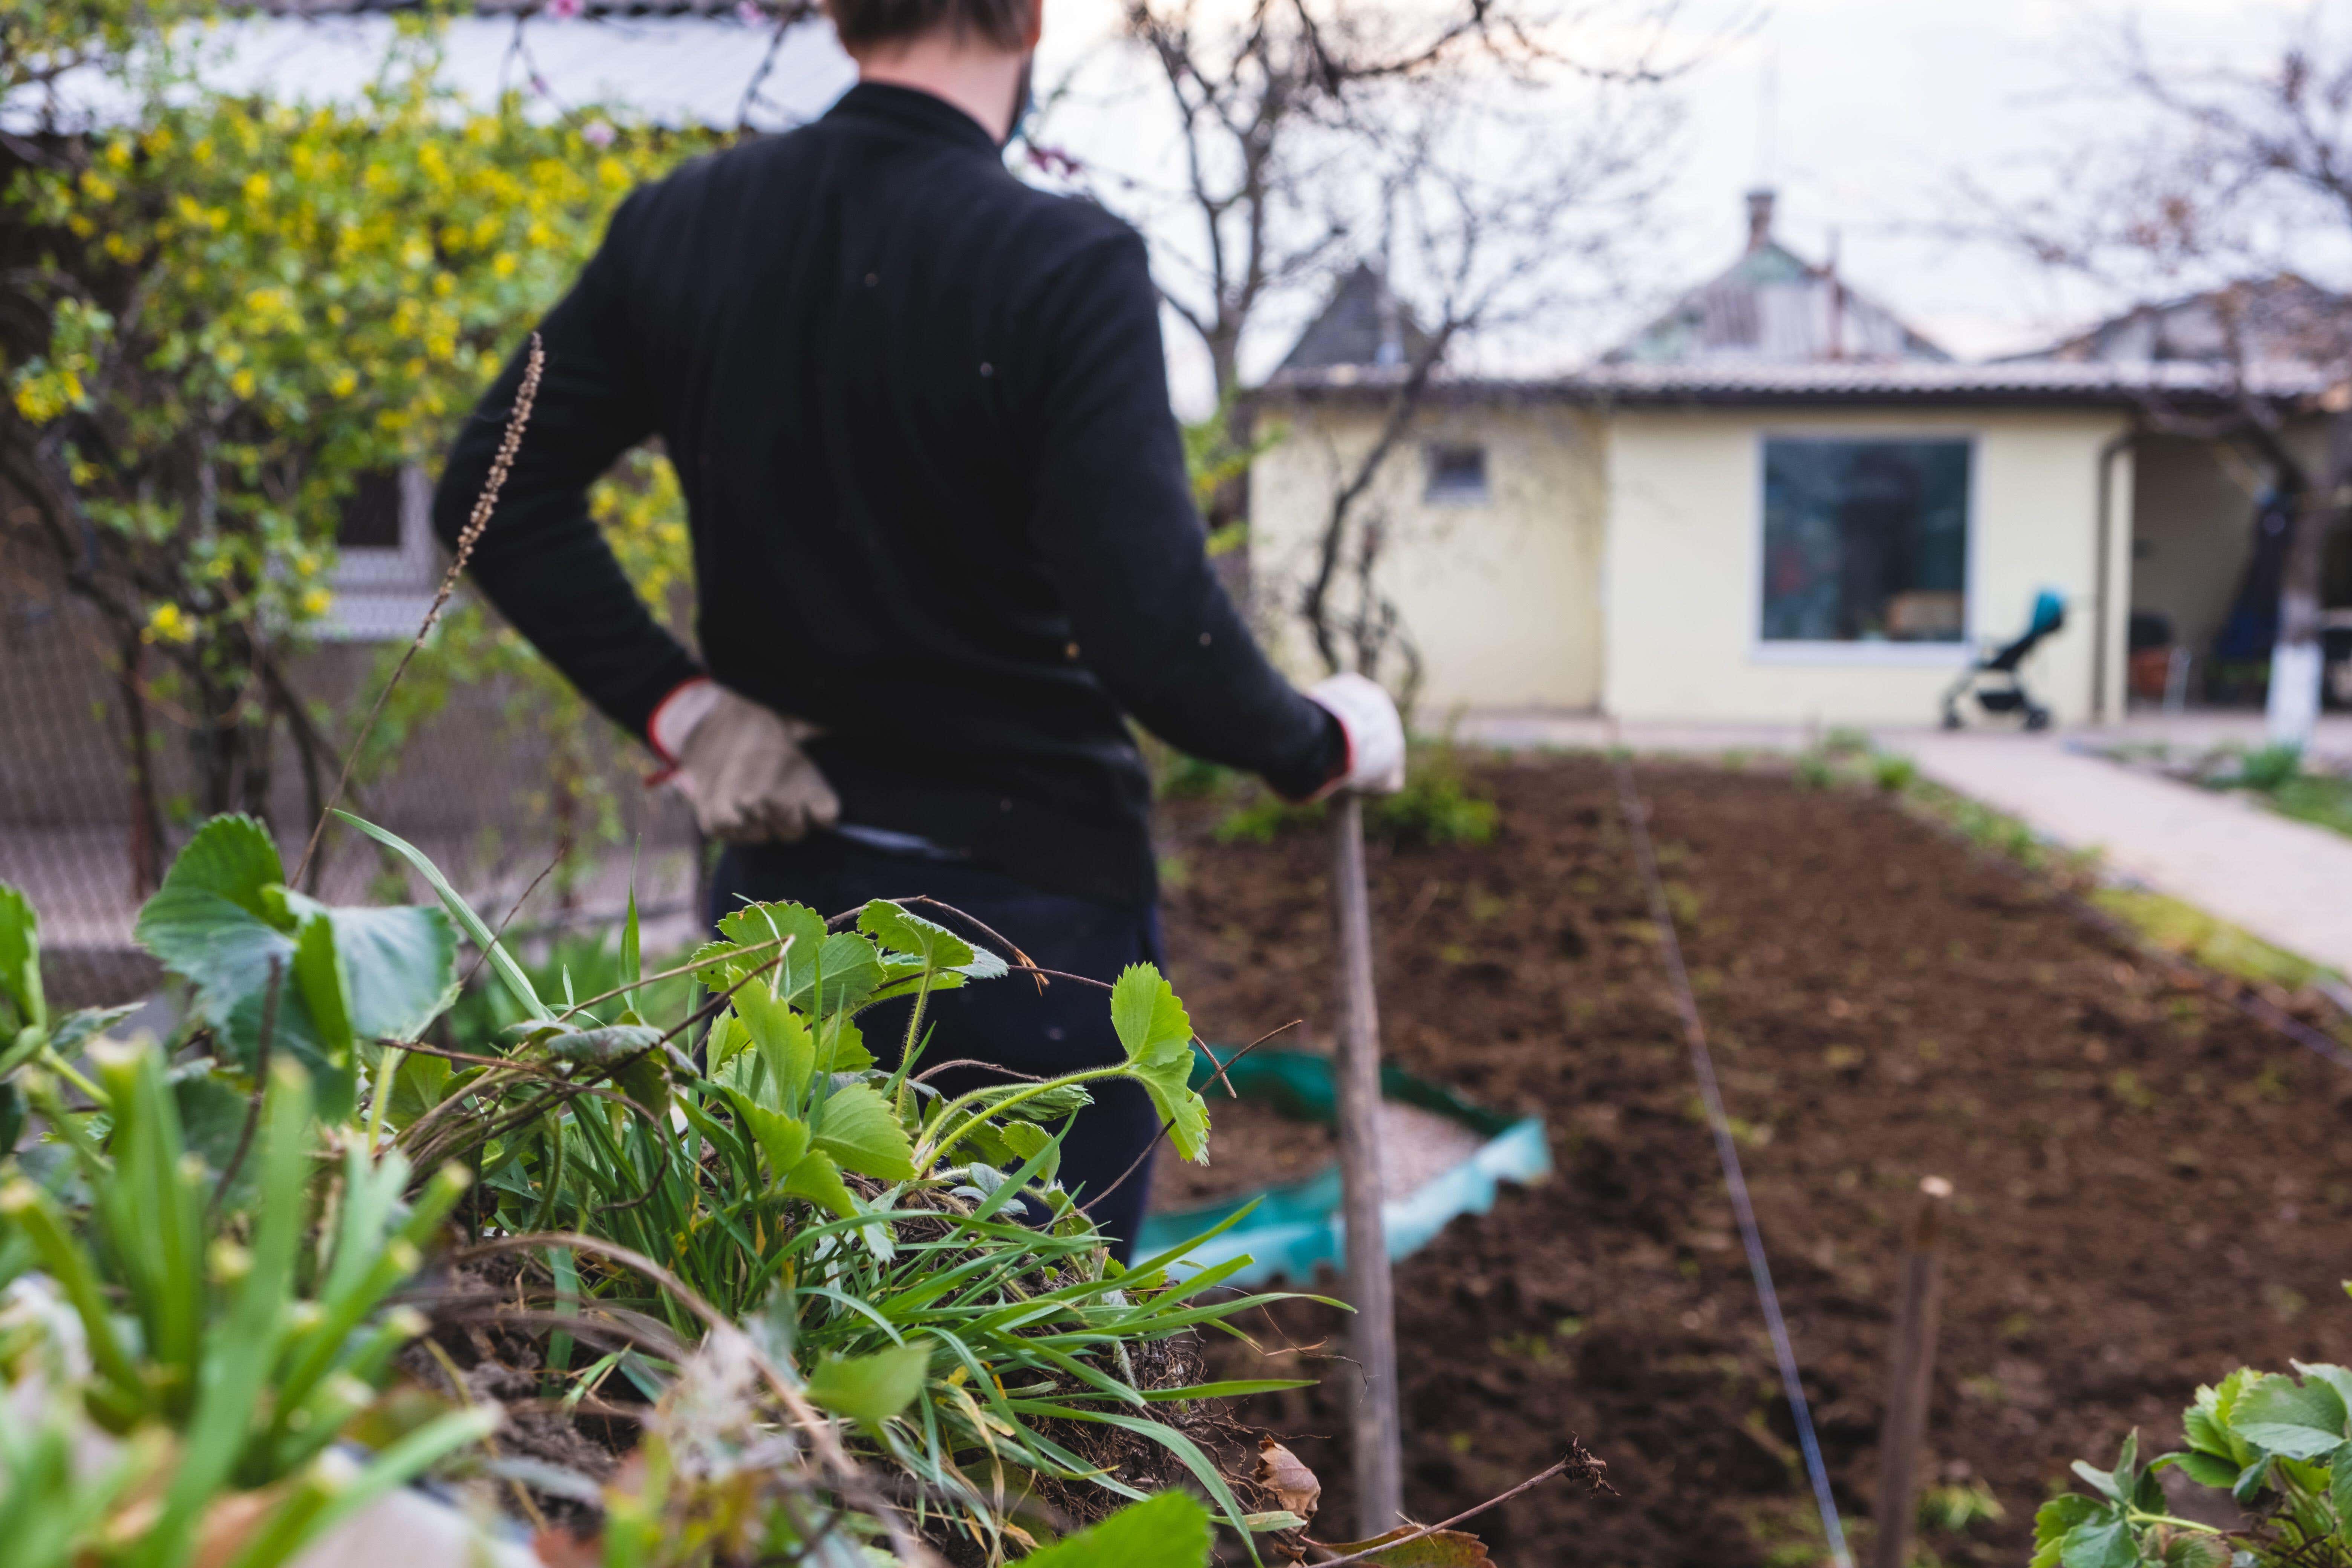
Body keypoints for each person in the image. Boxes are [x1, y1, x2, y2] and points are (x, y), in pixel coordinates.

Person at [430, 0, 1404, 1258]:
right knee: (1030, 1407)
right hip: (1035, 943)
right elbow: (1155, 635)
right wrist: (1316, 741)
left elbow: (488, 493)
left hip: (786, 928)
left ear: (840, 13)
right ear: (1036, 18)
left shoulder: (685, 222)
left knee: (776, 1356)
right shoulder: (1064, 264)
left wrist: (688, 712)